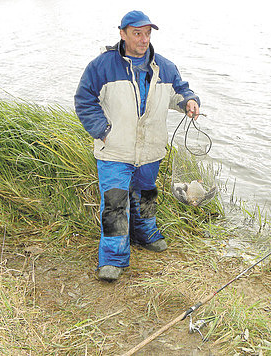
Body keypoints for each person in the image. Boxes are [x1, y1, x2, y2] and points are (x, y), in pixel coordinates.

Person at [74, 10, 201, 281]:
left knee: (146, 195)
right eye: (137, 33)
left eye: (148, 33)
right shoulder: (102, 66)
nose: (144, 40)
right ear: (122, 34)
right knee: (115, 203)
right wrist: (102, 131)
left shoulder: (164, 66)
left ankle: (144, 235)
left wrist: (189, 101)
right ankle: (113, 259)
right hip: (114, 150)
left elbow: (180, 91)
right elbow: (84, 100)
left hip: (150, 150)